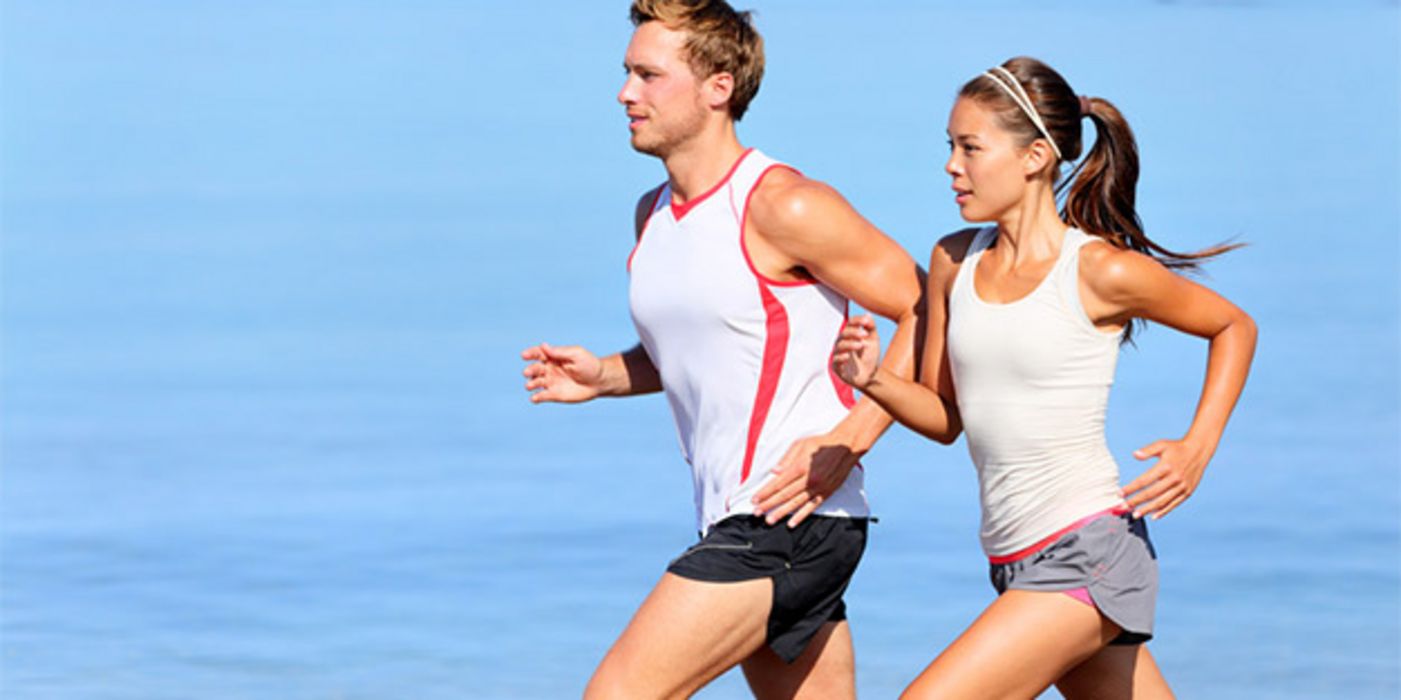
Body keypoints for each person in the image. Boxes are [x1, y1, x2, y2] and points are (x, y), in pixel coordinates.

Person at [520, 1, 923, 697]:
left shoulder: (781, 205)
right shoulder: (651, 214)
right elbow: (719, 343)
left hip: (784, 518)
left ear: (718, 87)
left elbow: (928, 305)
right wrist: (606, 376)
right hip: (751, 515)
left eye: (649, 75)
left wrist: (853, 436)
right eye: (626, 73)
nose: (625, 94)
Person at [832, 57, 1257, 699]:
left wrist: (1197, 449)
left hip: (1089, 550)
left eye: (971, 147)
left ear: (1034, 156)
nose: (952, 164)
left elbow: (1233, 328)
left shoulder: (1097, 272)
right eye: (950, 146)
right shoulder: (954, 260)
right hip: (1013, 560)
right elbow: (948, 419)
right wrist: (873, 381)